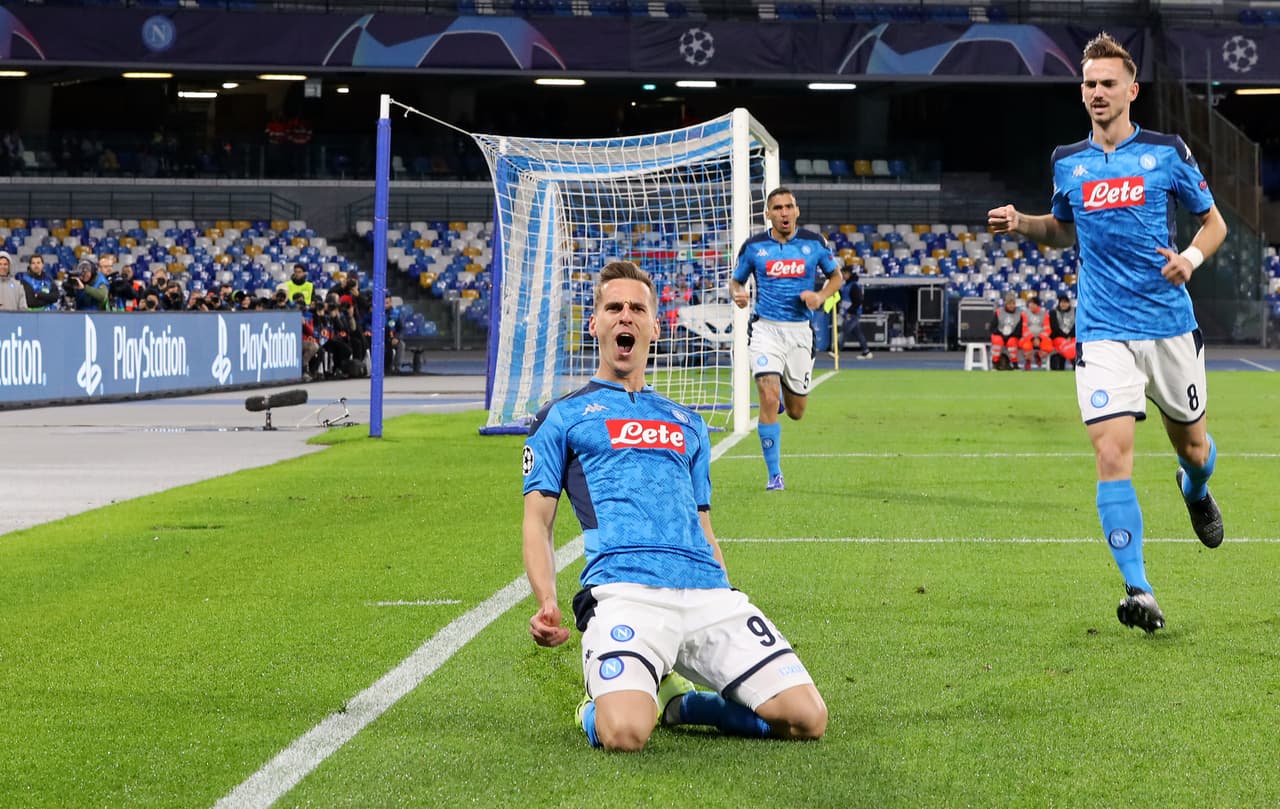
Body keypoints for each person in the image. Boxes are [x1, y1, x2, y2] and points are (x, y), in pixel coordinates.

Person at [522, 260, 827, 752]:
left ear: (654, 327)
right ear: (594, 323)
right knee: (625, 732)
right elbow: (538, 522)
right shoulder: (561, 417)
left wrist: (725, 588)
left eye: (637, 308)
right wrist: (547, 600)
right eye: (614, 308)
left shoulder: (688, 422)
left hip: (706, 593)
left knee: (807, 718)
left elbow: (703, 523)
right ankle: (596, 708)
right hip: (623, 592)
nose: (625, 316)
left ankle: (683, 705)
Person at [987, 31, 1227, 633]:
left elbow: (1214, 223)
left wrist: (1189, 259)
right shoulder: (1067, 161)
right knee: (1111, 453)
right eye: (1089, 83)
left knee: (1195, 450)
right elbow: (1062, 229)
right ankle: (1139, 589)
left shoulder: (1167, 152)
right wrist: (1022, 223)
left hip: (1168, 326)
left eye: (1108, 83)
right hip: (1102, 330)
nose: (1097, 92)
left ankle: (1195, 489)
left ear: (1131, 90)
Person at [729, 187, 843, 490]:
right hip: (765, 330)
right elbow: (736, 281)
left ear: (797, 211)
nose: (784, 212)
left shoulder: (814, 243)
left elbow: (836, 277)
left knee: (796, 412)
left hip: (800, 332)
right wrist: (738, 295)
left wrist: (820, 296)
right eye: (777, 208)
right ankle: (774, 475)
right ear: (768, 213)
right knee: (767, 396)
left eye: (788, 207)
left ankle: (782, 394)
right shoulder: (754, 247)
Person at [837, 266, 873, 360]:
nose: (842, 275)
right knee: (858, 333)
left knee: (844, 331)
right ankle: (866, 351)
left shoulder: (854, 286)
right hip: (847, 313)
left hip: (852, 313)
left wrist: (850, 311)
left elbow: (858, 301)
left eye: (844, 273)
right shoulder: (846, 285)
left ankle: (836, 351)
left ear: (848, 273)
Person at [989, 291, 1024, 371]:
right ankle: (995, 364)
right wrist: (1001, 334)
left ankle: (1015, 364)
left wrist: (1010, 336)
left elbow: (1019, 329)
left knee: (1012, 343)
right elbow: (992, 327)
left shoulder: (1020, 314)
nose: (1011, 306)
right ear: (1006, 304)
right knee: (997, 341)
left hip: (1013, 335)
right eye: (1009, 304)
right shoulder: (999, 312)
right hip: (999, 334)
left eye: (1013, 303)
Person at [1019, 297, 1052, 370]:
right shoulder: (1024, 314)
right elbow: (1024, 329)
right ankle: (1028, 361)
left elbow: (1047, 330)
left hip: (1041, 338)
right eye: (1030, 304)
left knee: (1048, 346)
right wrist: (1032, 338)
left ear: (1038, 305)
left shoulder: (1045, 314)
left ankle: (1038, 355)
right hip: (1028, 337)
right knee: (1026, 346)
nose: (1031, 305)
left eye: (1033, 304)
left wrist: (1039, 338)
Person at [1049, 295, 1078, 370]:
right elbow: (1054, 328)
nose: (1063, 304)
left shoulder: (1075, 311)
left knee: (1076, 344)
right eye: (1062, 302)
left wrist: (1070, 336)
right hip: (1059, 337)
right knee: (1062, 345)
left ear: (1069, 303)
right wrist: (1065, 337)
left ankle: (1076, 365)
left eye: (1065, 302)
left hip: (1072, 337)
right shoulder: (1053, 312)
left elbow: (1077, 325)